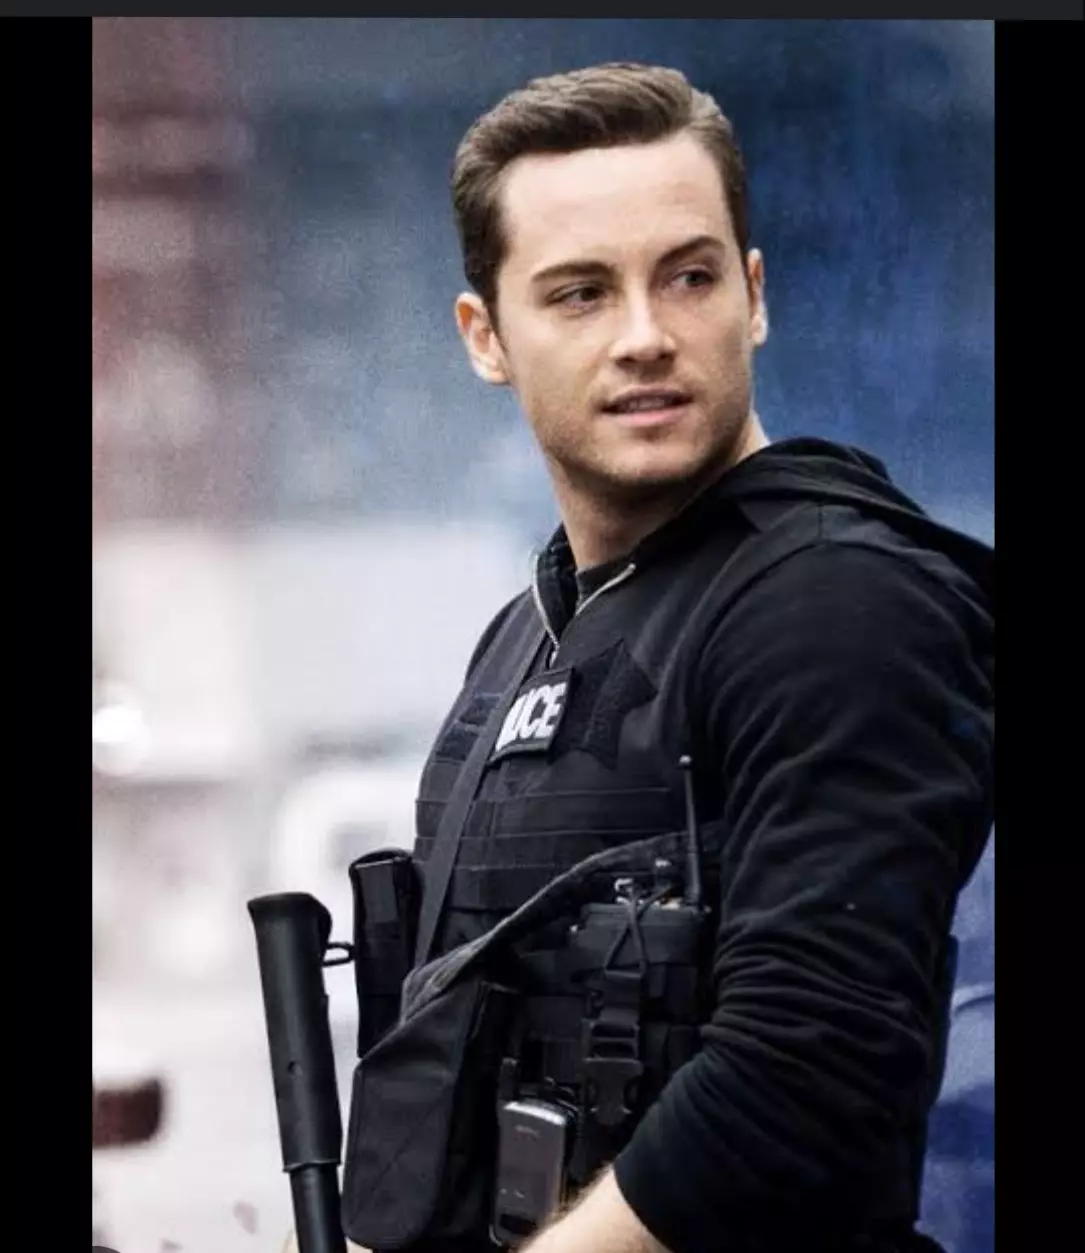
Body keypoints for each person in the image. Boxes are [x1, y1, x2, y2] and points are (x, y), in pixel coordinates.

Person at [296, 61, 995, 1253]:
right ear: (485, 337)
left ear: (752, 297)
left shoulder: (834, 600)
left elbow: (800, 1082)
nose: (644, 336)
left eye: (688, 277)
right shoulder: (531, 631)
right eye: (579, 293)